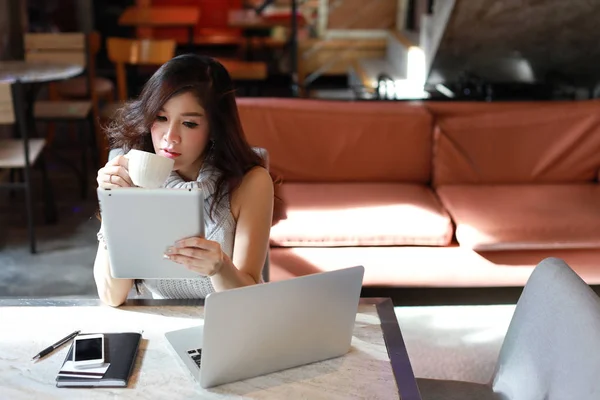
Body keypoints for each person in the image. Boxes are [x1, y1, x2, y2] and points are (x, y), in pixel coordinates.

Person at [94, 54, 274, 307]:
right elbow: (112, 297)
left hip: (226, 325)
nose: (170, 137)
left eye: (189, 123)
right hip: (160, 326)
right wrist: (116, 207)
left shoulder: (249, 183)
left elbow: (250, 301)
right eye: (160, 118)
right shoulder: (130, 171)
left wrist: (220, 268)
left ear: (215, 128)